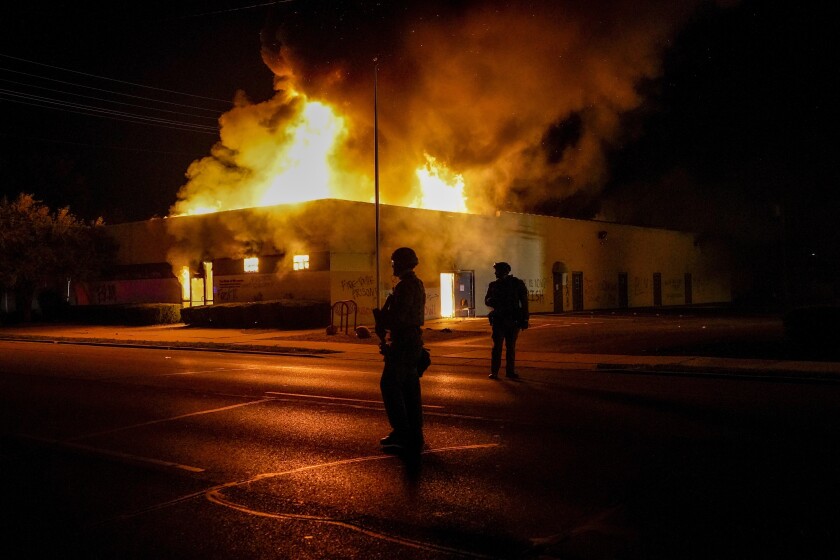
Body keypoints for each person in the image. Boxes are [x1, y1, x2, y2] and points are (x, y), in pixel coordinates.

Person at [373, 247, 427, 453]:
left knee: (390, 385)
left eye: (395, 263)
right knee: (409, 388)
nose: (393, 266)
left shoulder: (405, 286)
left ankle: (402, 432)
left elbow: (400, 317)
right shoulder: (416, 283)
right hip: (411, 341)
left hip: (404, 342)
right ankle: (415, 433)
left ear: (402, 263)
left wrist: (383, 320)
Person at [484, 261, 529, 379]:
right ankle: (496, 372)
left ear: (504, 271)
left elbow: (524, 302)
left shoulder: (517, 284)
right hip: (500, 319)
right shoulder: (494, 285)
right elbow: (487, 300)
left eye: (497, 271)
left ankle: (509, 372)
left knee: (509, 347)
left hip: (512, 319)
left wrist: (525, 319)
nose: (495, 273)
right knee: (498, 347)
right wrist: (492, 301)